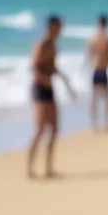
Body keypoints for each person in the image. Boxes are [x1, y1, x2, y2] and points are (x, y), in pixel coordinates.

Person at [27, 14, 74, 178]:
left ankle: (48, 168)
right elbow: (34, 68)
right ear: (51, 27)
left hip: (49, 90)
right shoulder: (40, 45)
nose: (60, 30)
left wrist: (64, 79)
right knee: (40, 130)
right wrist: (44, 79)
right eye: (58, 27)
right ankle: (30, 169)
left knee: (54, 129)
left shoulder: (53, 46)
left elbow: (52, 67)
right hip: (39, 90)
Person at [85, 12, 108, 131]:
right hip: (103, 70)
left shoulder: (92, 38)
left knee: (94, 98)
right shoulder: (107, 39)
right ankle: (106, 122)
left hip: (95, 69)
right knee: (106, 98)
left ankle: (93, 123)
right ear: (106, 24)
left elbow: (88, 55)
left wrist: (87, 67)